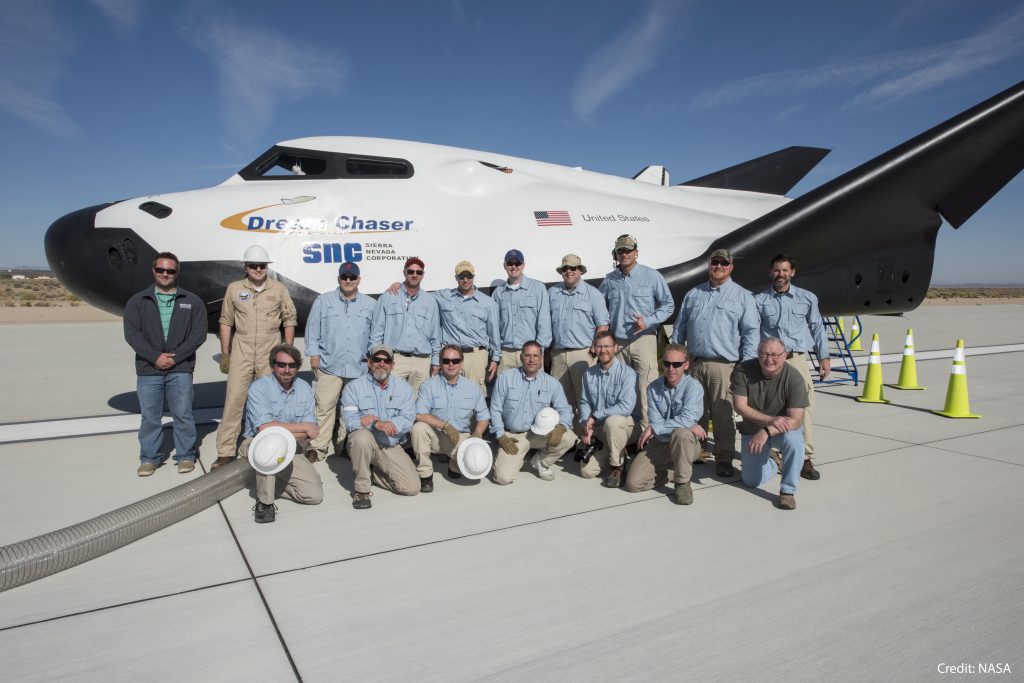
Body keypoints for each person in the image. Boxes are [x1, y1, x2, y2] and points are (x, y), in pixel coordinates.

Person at [670, 248, 759, 477]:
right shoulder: (694, 294)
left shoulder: (743, 296)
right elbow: (680, 327)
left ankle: (724, 457)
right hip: (695, 364)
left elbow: (750, 333)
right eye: (714, 262)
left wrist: (746, 366)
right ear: (709, 265)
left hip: (724, 365)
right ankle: (696, 451)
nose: (718, 266)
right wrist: (677, 358)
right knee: (693, 411)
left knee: (722, 414)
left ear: (731, 267)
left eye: (723, 263)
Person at [123, 252, 208, 476]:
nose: (165, 274)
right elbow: (132, 334)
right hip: (148, 369)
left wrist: (175, 357)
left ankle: (186, 455)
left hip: (180, 368)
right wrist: (155, 357)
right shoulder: (138, 301)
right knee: (150, 417)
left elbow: (198, 334)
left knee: (183, 414)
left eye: (170, 270)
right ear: (153, 271)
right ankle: (150, 458)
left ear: (177, 273)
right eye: (160, 269)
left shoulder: (191, 301)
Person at [213, 244, 297, 469]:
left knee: (269, 400)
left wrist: (287, 350)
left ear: (267, 267)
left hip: (270, 349)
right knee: (234, 399)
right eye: (253, 265)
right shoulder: (233, 289)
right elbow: (225, 321)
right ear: (245, 267)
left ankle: (268, 444)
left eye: (262, 265)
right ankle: (226, 451)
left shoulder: (279, 289)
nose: (258, 269)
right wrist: (225, 353)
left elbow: (289, 320)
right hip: (242, 346)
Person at [755, 254, 829, 481]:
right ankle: (776, 454)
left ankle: (805, 457)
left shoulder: (807, 298)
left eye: (785, 270)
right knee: (772, 408)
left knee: (804, 408)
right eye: (777, 270)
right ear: (770, 272)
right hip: (771, 361)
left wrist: (823, 356)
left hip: (797, 359)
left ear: (792, 273)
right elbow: (752, 331)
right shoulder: (759, 301)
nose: (781, 274)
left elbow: (817, 327)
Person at [240, 344, 323, 523]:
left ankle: (270, 484)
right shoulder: (258, 388)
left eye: (292, 365)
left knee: (313, 495)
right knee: (270, 447)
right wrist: (302, 429)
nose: (287, 369)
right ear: (272, 366)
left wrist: (298, 430)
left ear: (298, 367)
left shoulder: (304, 388)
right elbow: (264, 428)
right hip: (256, 443)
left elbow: (311, 430)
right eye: (281, 364)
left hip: (291, 445)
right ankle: (265, 503)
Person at [598, 235, 674, 430]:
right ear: (615, 254)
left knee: (646, 390)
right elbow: (600, 310)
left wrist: (648, 321)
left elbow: (668, 305)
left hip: (644, 340)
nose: (624, 254)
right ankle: (627, 435)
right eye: (620, 251)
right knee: (621, 390)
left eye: (628, 251)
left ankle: (648, 435)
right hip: (618, 344)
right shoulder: (609, 280)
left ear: (636, 252)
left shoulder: (652, 276)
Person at [304, 261, 375, 461]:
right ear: (338, 279)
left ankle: (345, 445)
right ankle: (318, 448)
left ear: (359, 280)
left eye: (353, 277)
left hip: (358, 367)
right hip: (329, 366)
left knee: (349, 410)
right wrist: (314, 356)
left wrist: (372, 361)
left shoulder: (370, 305)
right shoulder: (323, 301)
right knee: (324, 407)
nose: (348, 280)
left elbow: (375, 336)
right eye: (344, 277)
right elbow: (312, 330)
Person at [731, 338, 808, 510]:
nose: (769, 359)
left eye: (774, 355)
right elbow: (740, 406)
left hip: (782, 430)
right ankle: (773, 463)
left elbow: (795, 420)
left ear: (785, 355)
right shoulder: (744, 370)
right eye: (764, 354)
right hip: (753, 430)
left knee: (794, 442)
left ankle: (788, 491)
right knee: (750, 481)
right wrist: (770, 420)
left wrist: (766, 430)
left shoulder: (794, 378)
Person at [625, 344, 705, 505]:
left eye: (676, 364)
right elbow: (656, 420)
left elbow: (687, 418)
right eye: (667, 363)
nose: (671, 368)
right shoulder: (653, 388)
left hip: (686, 443)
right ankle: (672, 471)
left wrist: (656, 428)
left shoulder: (693, 387)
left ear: (686, 365)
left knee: (681, 433)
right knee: (633, 484)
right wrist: (680, 423)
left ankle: (682, 483)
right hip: (661, 441)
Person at [342, 345, 419, 509]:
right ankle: (362, 490)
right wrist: (376, 423)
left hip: (389, 443)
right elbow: (349, 421)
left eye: (386, 360)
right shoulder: (353, 388)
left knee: (412, 488)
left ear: (392, 365)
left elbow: (408, 419)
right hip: (365, 442)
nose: (381, 363)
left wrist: (391, 424)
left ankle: (373, 472)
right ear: (369, 362)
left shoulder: (404, 389)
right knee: (361, 438)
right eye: (377, 359)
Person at [489, 341, 576, 485]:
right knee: (503, 478)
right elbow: (495, 409)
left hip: (539, 434)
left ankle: (540, 461)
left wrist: (561, 428)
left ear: (542, 358)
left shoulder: (552, 383)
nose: (531, 359)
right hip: (513, 436)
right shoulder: (506, 378)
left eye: (536, 356)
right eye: (527, 355)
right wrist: (501, 436)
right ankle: (516, 456)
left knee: (569, 438)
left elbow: (565, 410)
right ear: (521, 357)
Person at [410, 345, 490, 488]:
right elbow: (420, 414)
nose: (451, 364)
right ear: (441, 363)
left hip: (460, 438)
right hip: (436, 436)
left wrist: (477, 433)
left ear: (462, 363)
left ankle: (454, 466)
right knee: (419, 428)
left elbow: (484, 416)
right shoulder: (428, 386)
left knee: (471, 467)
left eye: (455, 360)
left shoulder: (472, 387)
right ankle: (426, 475)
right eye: (446, 361)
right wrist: (444, 426)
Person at [548, 254, 609, 428]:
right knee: (561, 400)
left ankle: (587, 437)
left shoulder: (593, 294)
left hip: (582, 354)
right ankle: (567, 439)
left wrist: (592, 351)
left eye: (573, 268)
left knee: (585, 399)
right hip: (558, 354)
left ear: (580, 270)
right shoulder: (552, 293)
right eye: (565, 268)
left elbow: (602, 326)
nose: (569, 271)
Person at [369, 257, 441, 395]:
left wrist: (436, 362)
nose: (414, 275)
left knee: (419, 405)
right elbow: (377, 331)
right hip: (395, 360)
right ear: (404, 272)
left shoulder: (430, 301)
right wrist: (374, 357)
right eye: (411, 271)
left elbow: (435, 335)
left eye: (419, 272)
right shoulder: (388, 297)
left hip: (422, 362)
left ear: (423, 275)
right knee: (390, 400)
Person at [578, 330, 638, 488]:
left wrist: (595, 416)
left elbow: (625, 407)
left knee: (613, 421)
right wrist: (586, 425)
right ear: (594, 349)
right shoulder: (588, 374)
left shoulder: (628, 374)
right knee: (587, 472)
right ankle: (618, 450)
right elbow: (584, 402)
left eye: (607, 346)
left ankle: (617, 467)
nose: (603, 350)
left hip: (625, 425)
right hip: (601, 428)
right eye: (599, 346)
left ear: (615, 348)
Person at [435, 260, 500, 394]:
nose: (465, 280)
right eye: (461, 277)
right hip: (451, 358)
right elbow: (419, 293)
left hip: (475, 358)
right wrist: (399, 286)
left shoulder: (487, 302)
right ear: (456, 278)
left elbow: (494, 333)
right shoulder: (443, 296)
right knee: (449, 395)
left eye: (469, 276)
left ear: (473, 277)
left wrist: (495, 359)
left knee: (475, 397)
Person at [491, 249, 551, 374]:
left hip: (531, 354)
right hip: (505, 354)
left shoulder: (538, 288)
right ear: (504, 266)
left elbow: (544, 322)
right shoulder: (498, 293)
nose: (514, 267)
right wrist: (496, 355)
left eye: (517, 263)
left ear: (523, 265)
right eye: (510, 263)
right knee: (507, 391)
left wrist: (539, 352)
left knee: (533, 392)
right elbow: (494, 327)